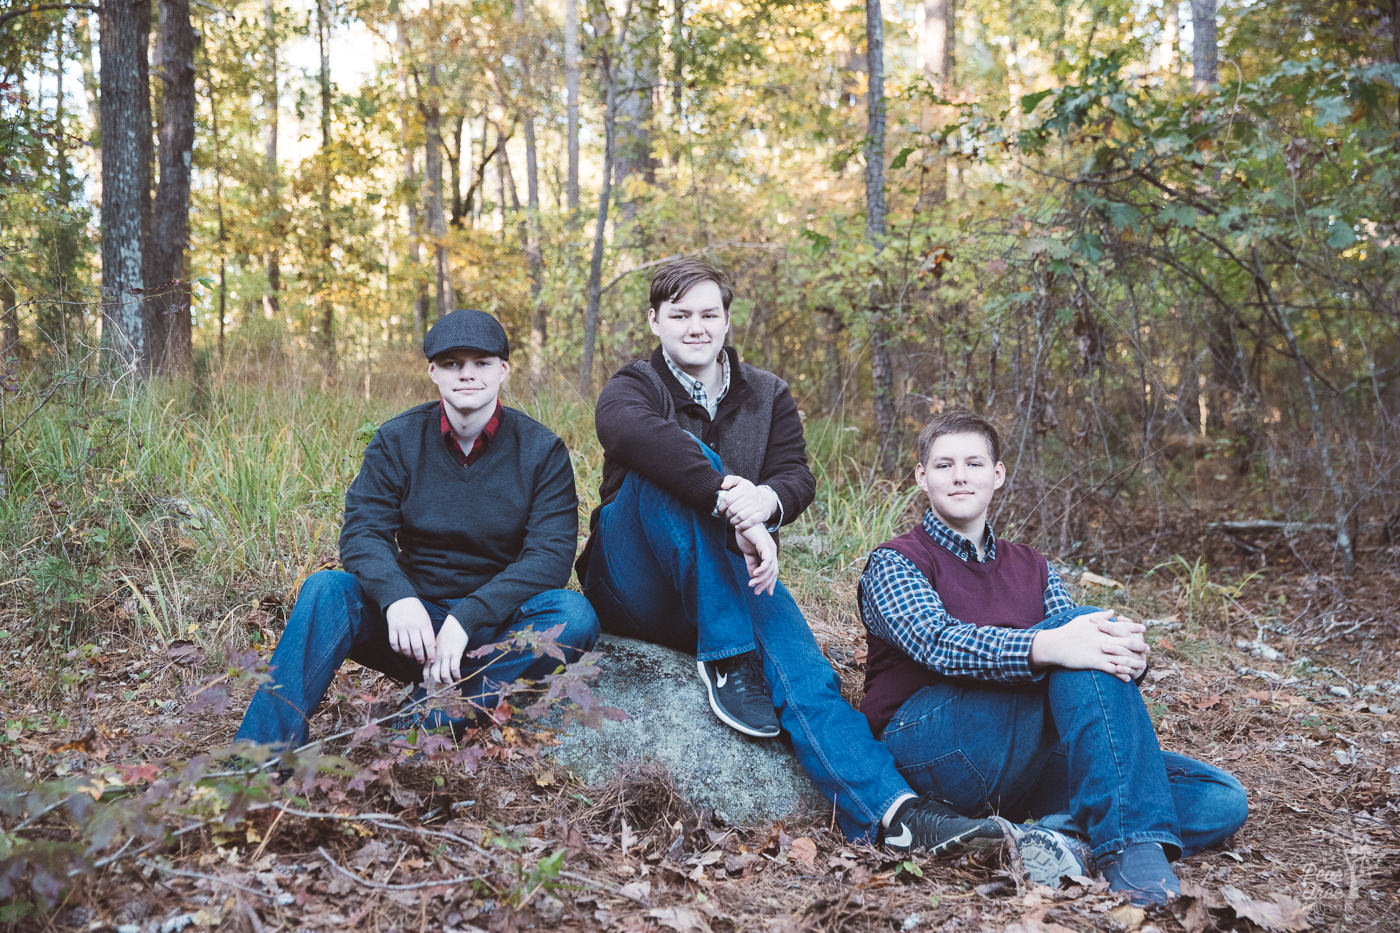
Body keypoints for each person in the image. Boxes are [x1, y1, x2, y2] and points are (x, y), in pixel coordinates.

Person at [576, 256, 1051, 863]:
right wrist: (731, 501)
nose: (696, 327)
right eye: (680, 315)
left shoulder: (768, 394)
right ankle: (727, 656)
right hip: (634, 585)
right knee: (667, 464)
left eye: (709, 314)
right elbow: (628, 434)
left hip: (726, 575)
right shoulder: (633, 385)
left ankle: (894, 814)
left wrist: (765, 503)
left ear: (727, 321)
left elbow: (796, 476)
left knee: (807, 674)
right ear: (655, 321)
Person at [858, 410, 1250, 905]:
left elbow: (1084, 666)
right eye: (944, 465)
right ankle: (1129, 848)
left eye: (974, 463)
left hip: (1027, 758)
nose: (960, 475)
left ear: (997, 476)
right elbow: (939, 644)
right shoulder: (896, 561)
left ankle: (1053, 839)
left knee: (1220, 798)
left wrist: (1129, 656)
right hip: (936, 749)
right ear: (921, 477)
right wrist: (1055, 644)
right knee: (1081, 626)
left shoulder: (1033, 565)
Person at [233, 308, 599, 756]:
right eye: (452, 364)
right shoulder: (398, 439)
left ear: (504, 370)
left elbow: (551, 557)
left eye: (481, 363)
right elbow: (363, 532)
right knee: (327, 588)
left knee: (574, 616)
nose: (467, 375)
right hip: (412, 628)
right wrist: (398, 598)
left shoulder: (542, 450)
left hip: (491, 634)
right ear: (433, 372)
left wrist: (469, 618)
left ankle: (424, 722)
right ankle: (258, 760)